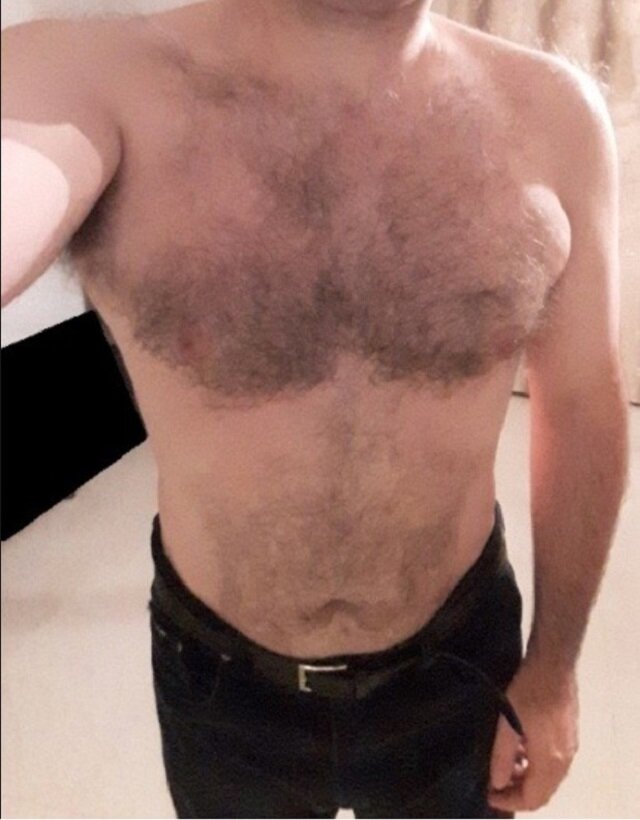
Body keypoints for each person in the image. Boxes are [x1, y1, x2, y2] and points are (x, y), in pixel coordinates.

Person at [1, 1, 629, 817]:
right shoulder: (88, 82)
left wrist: (554, 669)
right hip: (220, 684)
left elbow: (582, 407)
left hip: (462, 664)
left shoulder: (555, 117)